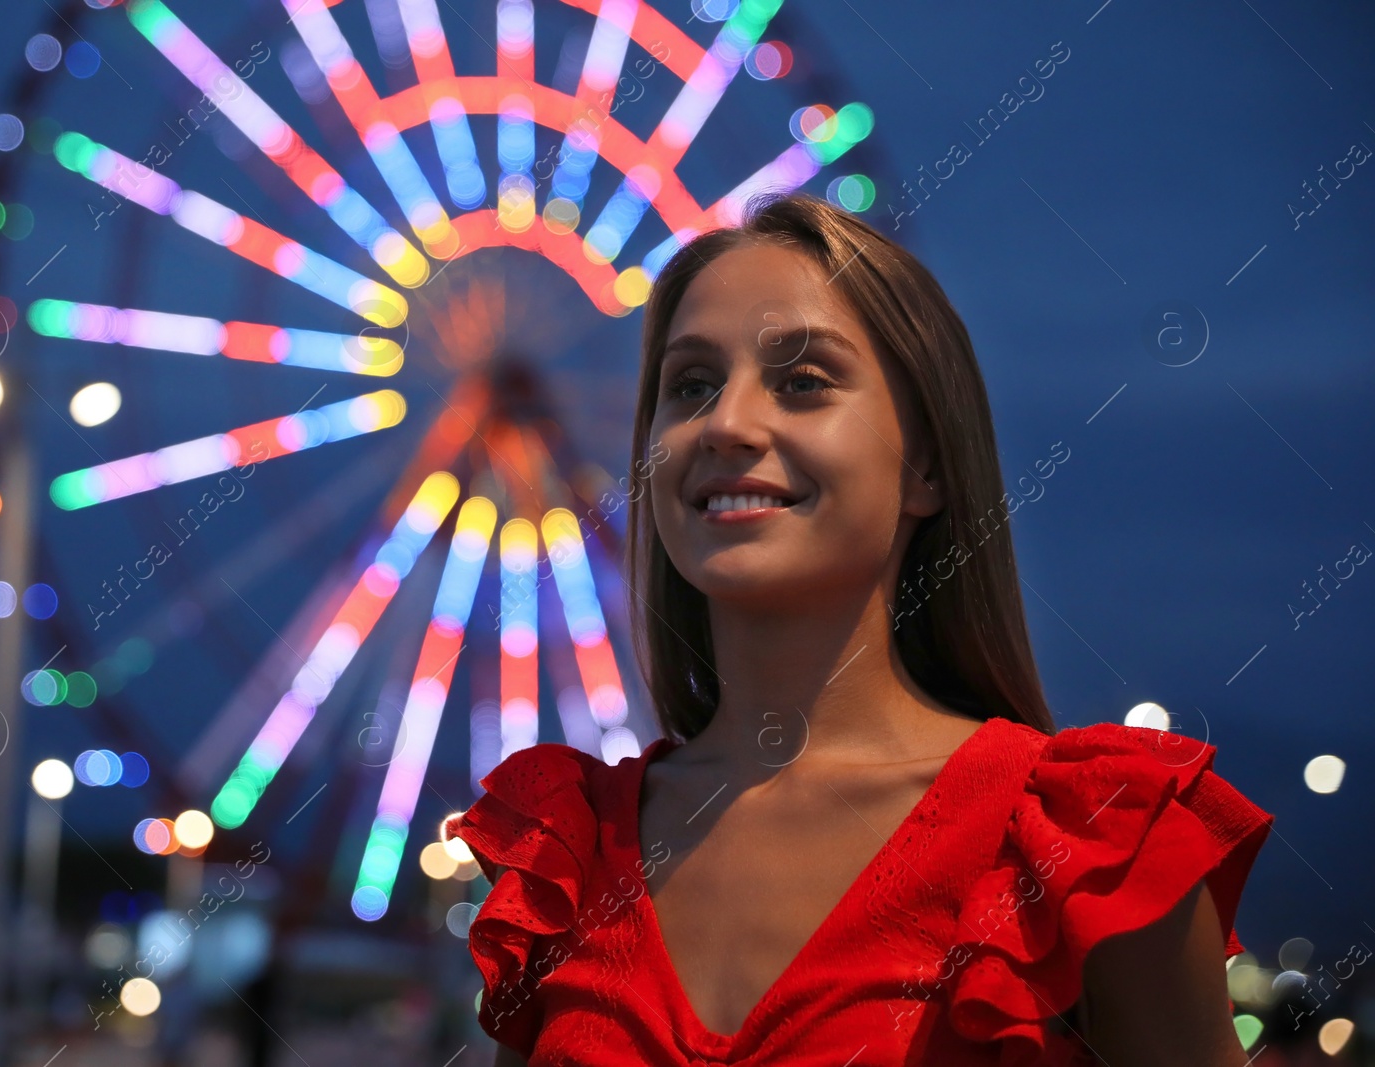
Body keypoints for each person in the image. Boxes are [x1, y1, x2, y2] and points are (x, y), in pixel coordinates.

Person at [445, 191, 1274, 1065]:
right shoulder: (566, 860)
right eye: (690, 385)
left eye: (803, 382)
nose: (726, 423)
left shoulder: (1090, 844)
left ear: (927, 466)